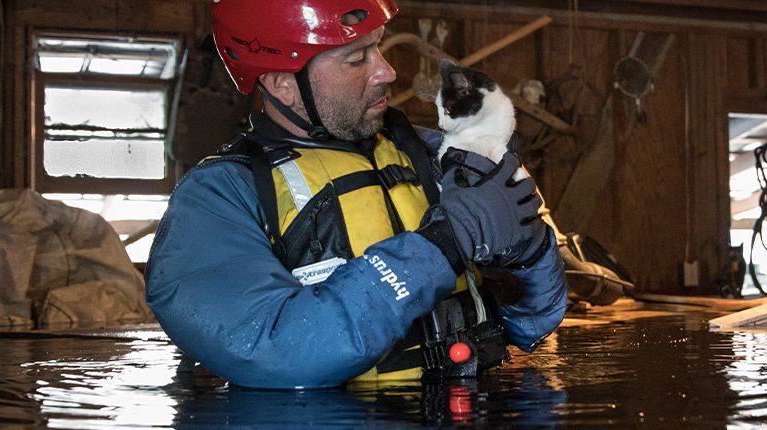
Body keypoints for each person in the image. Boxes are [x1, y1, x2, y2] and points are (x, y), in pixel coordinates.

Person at [146, 0, 569, 389]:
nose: (387, 71)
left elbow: (534, 325)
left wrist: (529, 255)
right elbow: (276, 353)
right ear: (281, 84)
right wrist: (441, 245)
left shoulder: (439, 155)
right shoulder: (217, 198)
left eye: (378, 48)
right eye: (356, 59)